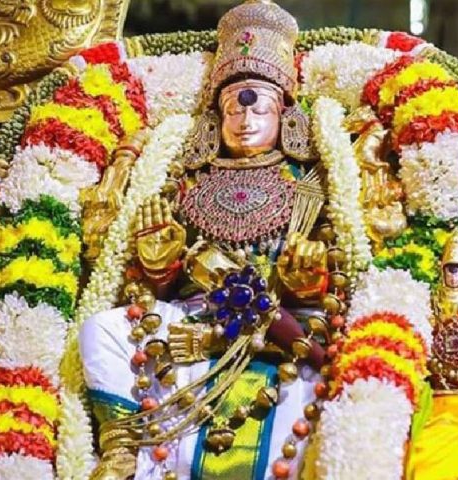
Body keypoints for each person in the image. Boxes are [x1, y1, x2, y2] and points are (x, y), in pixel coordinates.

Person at [80, 2, 331, 478]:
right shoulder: (187, 180)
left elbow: (333, 273)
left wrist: (309, 277)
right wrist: (160, 263)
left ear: (284, 110)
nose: (244, 115)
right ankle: (122, 448)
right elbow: (158, 286)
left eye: (257, 101)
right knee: (102, 330)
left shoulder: (311, 183)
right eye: (232, 104)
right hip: (192, 324)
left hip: (285, 330)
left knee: (324, 375)